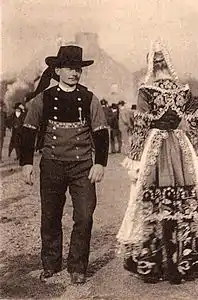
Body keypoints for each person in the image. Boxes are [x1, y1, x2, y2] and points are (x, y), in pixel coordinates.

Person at [117, 39, 198, 284]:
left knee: (153, 204)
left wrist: (135, 158)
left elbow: (141, 125)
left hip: (155, 148)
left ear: (151, 65)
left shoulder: (147, 91)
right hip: (180, 147)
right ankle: (180, 264)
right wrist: (197, 151)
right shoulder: (183, 90)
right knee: (181, 204)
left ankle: (153, 264)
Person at [19, 45, 109, 284]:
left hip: (82, 167)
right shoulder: (44, 99)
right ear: (57, 70)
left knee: (85, 216)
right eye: (69, 68)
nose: (74, 73)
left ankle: (78, 267)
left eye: (78, 69)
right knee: (50, 216)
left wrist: (100, 163)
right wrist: (26, 163)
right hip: (52, 165)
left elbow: (101, 133)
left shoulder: (91, 99)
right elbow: (28, 131)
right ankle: (51, 263)